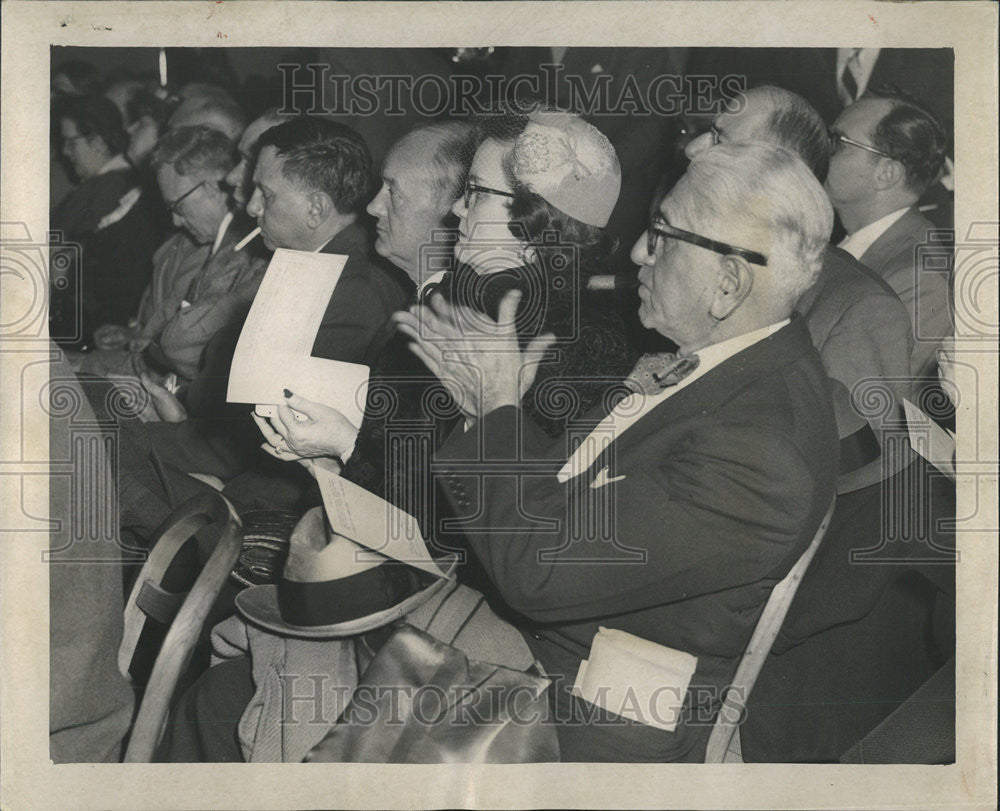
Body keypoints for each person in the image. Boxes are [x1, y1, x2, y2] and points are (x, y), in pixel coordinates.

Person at [396, 141, 840, 762]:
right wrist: (487, 410)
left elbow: (540, 570)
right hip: (543, 644)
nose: (637, 252)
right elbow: (570, 505)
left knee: (288, 673)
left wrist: (498, 410)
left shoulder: (760, 451)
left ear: (728, 284)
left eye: (660, 236)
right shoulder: (726, 370)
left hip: (583, 711)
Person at [685, 85, 914, 486]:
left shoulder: (860, 307)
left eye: (720, 137)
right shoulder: (694, 257)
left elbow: (856, 479)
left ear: (781, 170)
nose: (692, 150)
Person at [76, 125, 267, 387]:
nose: (176, 221)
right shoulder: (219, 246)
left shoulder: (240, 253)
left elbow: (181, 348)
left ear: (211, 188)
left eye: (178, 206)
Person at [826, 89, 952, 383]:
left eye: (838, 143)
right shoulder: (850, 241)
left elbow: (861, 411)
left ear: (886, 173)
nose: (821, 151)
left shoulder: (920, 279)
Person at [50, 94, 164, 346]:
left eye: (70, 142)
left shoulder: (107, 189)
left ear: (98, 141)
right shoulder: (107, 185)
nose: (65, 152)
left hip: (94, 326)